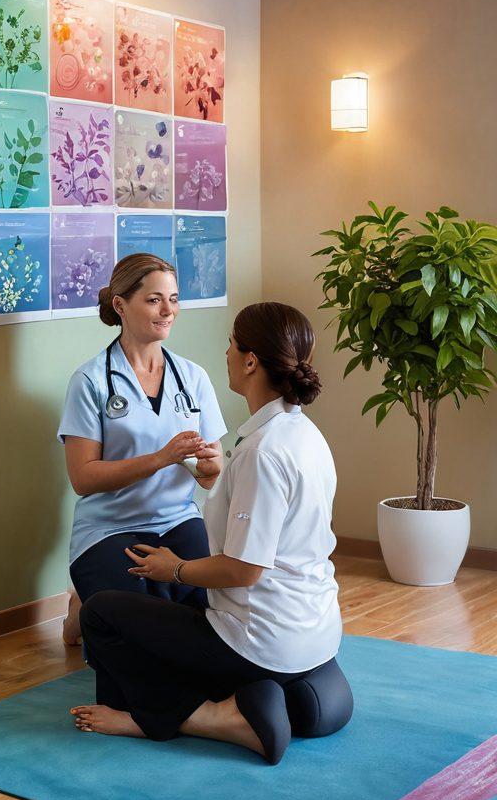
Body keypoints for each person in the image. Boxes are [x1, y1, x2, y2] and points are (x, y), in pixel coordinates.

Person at [71, 302, 349, 765]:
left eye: (231, 344)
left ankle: (187, 717)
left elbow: (243, 570)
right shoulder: (304, 434)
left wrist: (174, 569)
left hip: (259, 639)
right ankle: (232, 700)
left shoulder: (263, 452)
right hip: (317, 632)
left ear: (250, 361)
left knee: (99, 614)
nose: (225, 353)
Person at [57, 253, 227, 645]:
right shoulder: (90, 381)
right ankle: (80, 613)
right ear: (120, 305)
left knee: (214, 612)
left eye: (174, 298)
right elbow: (83, 479)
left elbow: (209, 478)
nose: (169, 310)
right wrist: (160, 458)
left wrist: (211, 465)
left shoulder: (193, 377)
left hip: (178, 520)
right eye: (154, 300)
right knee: (138, 624)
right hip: (109, 528)